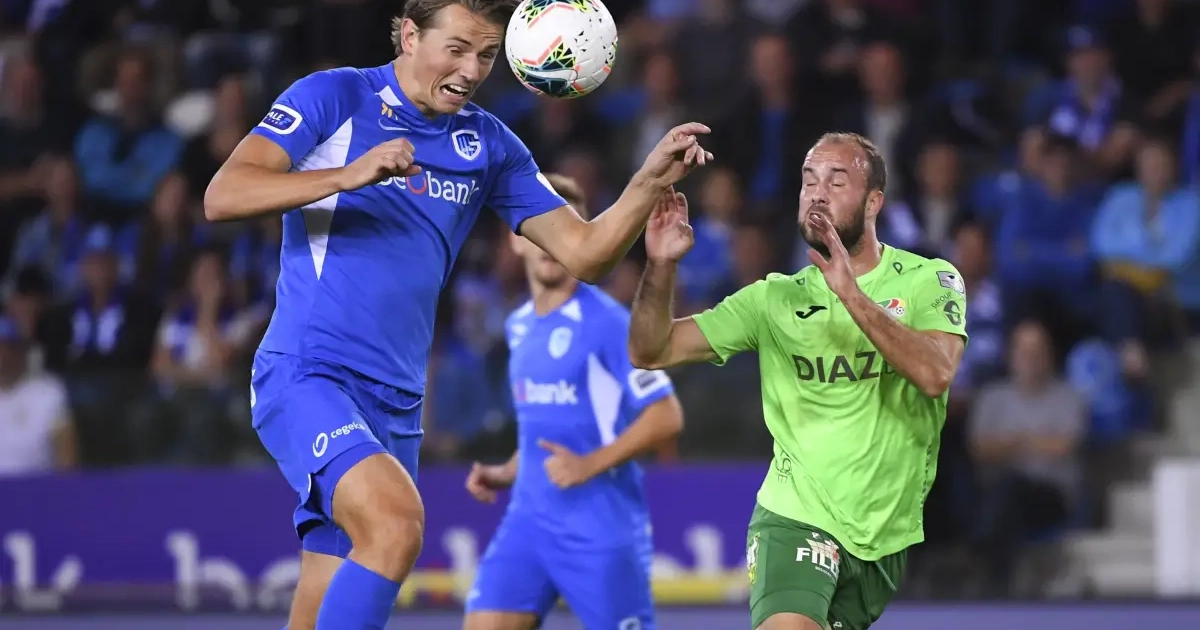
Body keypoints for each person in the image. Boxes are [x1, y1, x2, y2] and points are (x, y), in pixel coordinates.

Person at [202, 0, 712, 628]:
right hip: (310, 373)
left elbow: (586, 253)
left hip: (397, 401)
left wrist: (648, 181)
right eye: (458, 49)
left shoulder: (490, 145)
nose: (472, 70)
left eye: (488, 55)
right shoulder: (334, 96)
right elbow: (224, 194)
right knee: (396, 526)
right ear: (410, 36)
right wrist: (345, 175)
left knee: (332, 583)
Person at [628, 132, 969, 630]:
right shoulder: (774, 299)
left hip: (884, 535)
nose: (818, 194)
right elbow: (649, 350)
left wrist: (852, 296)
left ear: (874, 202)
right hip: (795, 515)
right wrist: (660, 266)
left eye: (837, 181)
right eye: (809, 181)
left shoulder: (929, 279)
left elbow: (936, 374)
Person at [462, 174, 684, 630]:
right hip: (528, 523)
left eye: (568, 228)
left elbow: (666, 415)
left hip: (599, 529)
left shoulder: (608, 323)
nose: (552, 242)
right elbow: (545, 428)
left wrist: (589, 464)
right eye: (541, 226)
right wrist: (507, 471)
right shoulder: (519, 325)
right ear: (516, 238)